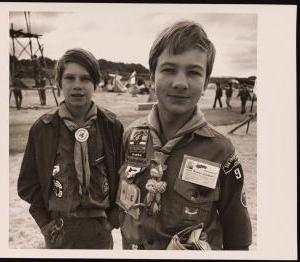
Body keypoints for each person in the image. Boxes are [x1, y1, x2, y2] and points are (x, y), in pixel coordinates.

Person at [116, 20, 252, 250]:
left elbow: (237, 241)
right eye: (169, 69)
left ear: (206, 81)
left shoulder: (221, 151)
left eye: (193, 72)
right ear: (152, 77)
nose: (180, 83)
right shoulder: (130, 136)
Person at [17, 48, 124, 249]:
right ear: (59, 83)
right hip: (58, 229)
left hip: (99, 230)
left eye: (85, 79)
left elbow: (124, 178)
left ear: (96, 83)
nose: (77, 86)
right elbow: (27, 184)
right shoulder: (43, 128)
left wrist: (112, 221)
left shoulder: (111, 127)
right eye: (70, 78)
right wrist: (44, 223)